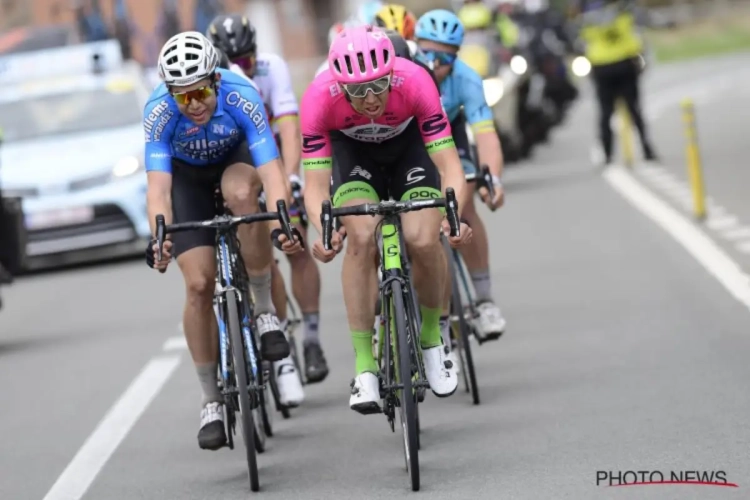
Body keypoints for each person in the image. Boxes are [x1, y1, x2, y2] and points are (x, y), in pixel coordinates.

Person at [144, 31, 303, 450]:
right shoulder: (158, 111)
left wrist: (283, 220)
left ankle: (265, 311)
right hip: (188, 180)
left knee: (240, 194)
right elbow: (158, 189)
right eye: (183, 97)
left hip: (237, 160)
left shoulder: (240, 92)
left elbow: (270, 169)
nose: (193, 105)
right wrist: (159, 234)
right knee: (198, 284)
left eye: (199, 92)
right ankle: (211, 400)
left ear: (215, 79)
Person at [301, 25, 473, 413]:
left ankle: (432, 338)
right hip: (354, 155)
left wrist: (454, 215)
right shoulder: (318, 98)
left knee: (424, 238)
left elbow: (449, 166)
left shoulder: (415, 81)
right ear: (339, 86)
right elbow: (315, 187)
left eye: (378, 86)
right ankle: (364, 366)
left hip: (410, 149)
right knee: (360, 238)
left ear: (391, 73)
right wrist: (324, 229)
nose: (371, 99)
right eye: (358, 91)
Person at [207, 14, 330, 386]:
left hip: (272, 157)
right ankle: (271, 341)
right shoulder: (213, 81)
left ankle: (310, 338)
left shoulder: (271, 68)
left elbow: (289, 130)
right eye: (233, 61)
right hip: (235, 163)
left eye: (247, 58)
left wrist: (291, 177)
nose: (241, 67)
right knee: (259, 255)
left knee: (293, 245)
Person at [416, 10, 508, 341]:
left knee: (465, 207)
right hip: (412, 144)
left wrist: (493, 179)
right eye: (427, 53)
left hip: (450, 138)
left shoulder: (466, 78)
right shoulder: (408, 74)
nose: (435, 63)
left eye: (445, 57)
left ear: (456, 57)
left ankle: (484, 299)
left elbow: (485, 135)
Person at [578, 0, 657, 166]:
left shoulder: (589, 15)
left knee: (606, 113)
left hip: (602, 66)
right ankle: (646, 148)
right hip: (624, 63)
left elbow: (581, 40)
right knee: (634, 109)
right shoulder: (623, 9)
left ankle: (607, 154)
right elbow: (638, 31)